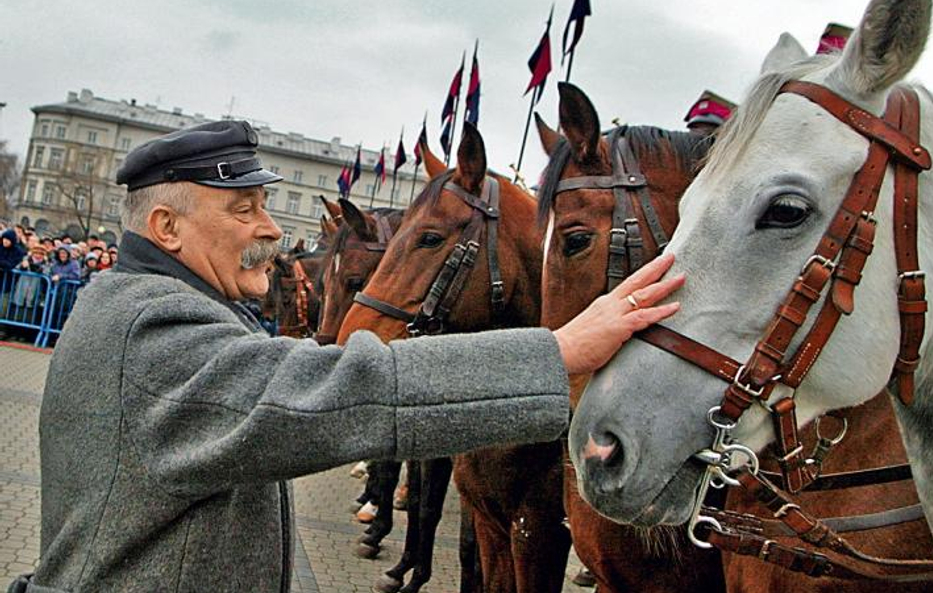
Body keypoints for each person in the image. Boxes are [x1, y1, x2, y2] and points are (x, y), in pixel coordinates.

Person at [16, 120, 683, 593]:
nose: (272, 228)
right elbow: (340, 393)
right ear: (167, 227)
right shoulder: (150, 327)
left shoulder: (134, 305)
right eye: (243, 209)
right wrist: (560, 351)